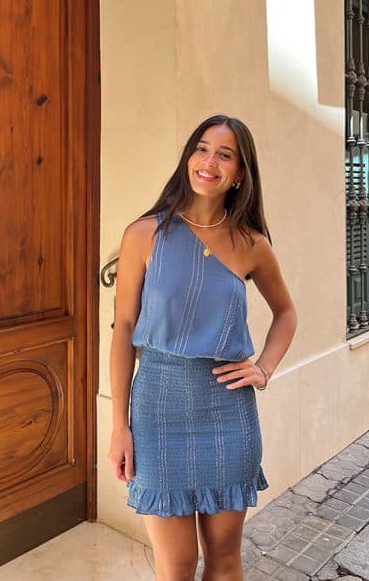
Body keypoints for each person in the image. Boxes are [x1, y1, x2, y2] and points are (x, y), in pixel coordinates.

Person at [108, 114, 297, 581]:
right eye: (201, 148)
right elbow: (124, 328)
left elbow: (286, 314)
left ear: (239, 174)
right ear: (189, 157)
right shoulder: (144, 234)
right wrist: (118, 425)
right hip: (157, 409)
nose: (209, 162)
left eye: (224, 154)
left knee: (225, 559)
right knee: (175, 566)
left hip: (227, 412)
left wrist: (264, 369)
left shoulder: (251, 245)